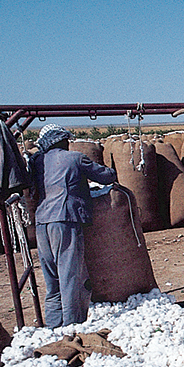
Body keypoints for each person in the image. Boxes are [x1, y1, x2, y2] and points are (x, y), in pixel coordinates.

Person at [29, 124, 117, 328]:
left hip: (42, 221)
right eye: (66, 140)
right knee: (69, 275)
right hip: (65, 219)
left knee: (51, 278)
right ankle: (71, 326)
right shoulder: (74, 158)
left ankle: (53, 325)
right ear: (61, 140)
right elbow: (105, 176)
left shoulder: (36, 161)